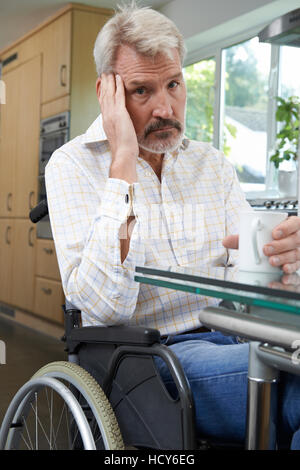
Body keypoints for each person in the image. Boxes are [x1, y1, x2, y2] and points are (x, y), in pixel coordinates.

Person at [45, 2, 300, 448]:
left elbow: (252, 276)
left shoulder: (211, 164)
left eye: (174, 84)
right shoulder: (72, 165)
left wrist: (281, 255)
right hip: (147, 359)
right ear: (107, 91)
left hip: (231, 335)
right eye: (142, 91)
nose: (166, 107)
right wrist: (122, 157)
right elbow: (104, 308)